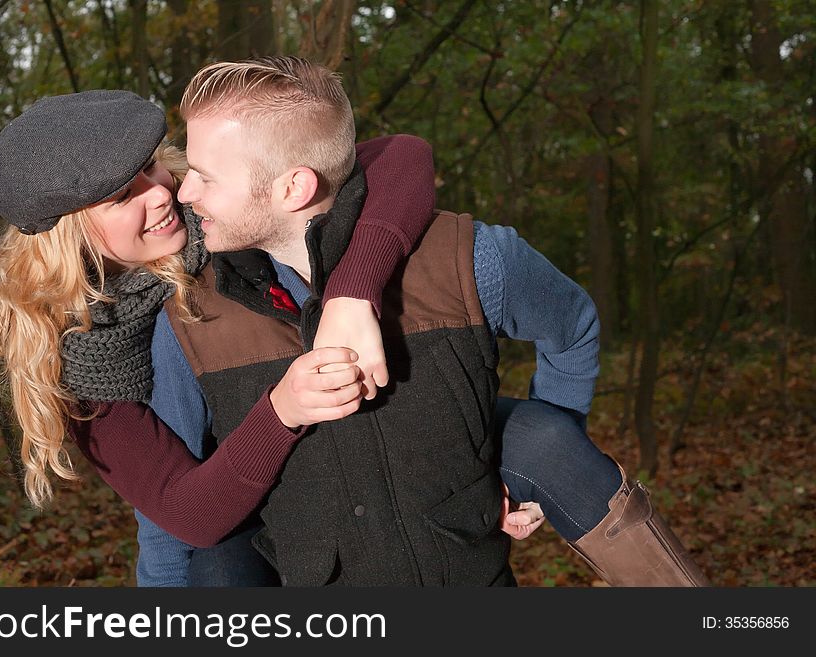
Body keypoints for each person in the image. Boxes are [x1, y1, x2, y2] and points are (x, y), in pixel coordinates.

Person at [141, 56, 710, 586]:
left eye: (205, 176)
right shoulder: (191, 318)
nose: (183, 192)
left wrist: (541, 454)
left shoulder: (470, 258)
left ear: (294, 187)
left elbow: (572, 323)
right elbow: (171, 508)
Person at [0, 89, 442, 582]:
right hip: (259, 523)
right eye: (121, 196)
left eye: (150, 167)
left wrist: (352, 294)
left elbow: (399, 154)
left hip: (390, 446)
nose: (161, 193)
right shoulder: (83, 363)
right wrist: (282, 410)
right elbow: (180, 515)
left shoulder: (221, 208)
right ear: (66, 238)